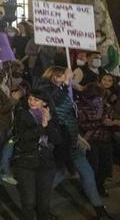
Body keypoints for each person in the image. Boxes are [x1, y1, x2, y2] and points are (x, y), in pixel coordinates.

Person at [44, 66, 112, 219]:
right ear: (55, 77)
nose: (70, 77)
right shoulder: (51, 93)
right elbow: (60, 119)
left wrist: (79, 138)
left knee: (87, 173)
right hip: (62, 143)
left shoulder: (64, 93)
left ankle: (99, 210)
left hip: (73, 142)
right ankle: (40, 205)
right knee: (60, 173)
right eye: (65, 75)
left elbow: (69, 119)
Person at [11, 88, 61, 220]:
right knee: (28, 201)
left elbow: (56, 139)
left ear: (44, 103)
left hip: (46, 162)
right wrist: (42, 126)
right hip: (25, 161)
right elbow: (22, 137)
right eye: (30, 99)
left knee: (43, 202)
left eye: (36, 100)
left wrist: (48, 123)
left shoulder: (51, 116)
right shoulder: (22, 114)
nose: (31, 102)